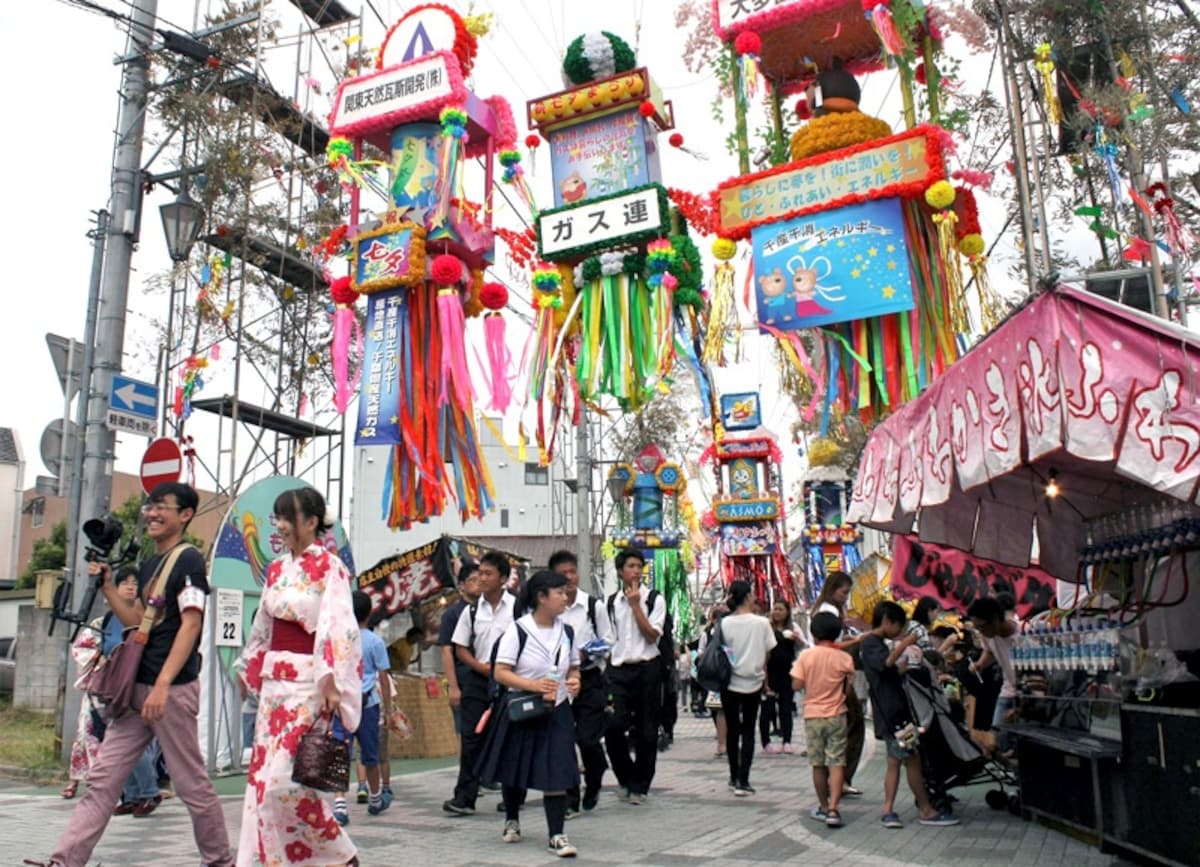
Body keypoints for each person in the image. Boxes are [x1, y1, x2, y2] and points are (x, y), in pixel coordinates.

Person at [26, 482, 233, 867]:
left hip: (168, 691)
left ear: (185, 515)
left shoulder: (187, 561)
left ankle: (220, 860)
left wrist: (163, 685)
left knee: (191, 785)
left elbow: (191, 625)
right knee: (103, 781)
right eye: (148, 507)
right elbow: (138, 623)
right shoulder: (152, 563)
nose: (151, 513)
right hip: (135, 691)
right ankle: (65, 860)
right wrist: (107, 586)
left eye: (161, 507)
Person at [235, 486, 363, 867]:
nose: (281, 526)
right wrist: (250, 667)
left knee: (283, 782)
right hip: (275, 687)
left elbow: (339, 626)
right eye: (278, 517)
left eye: (288, 517)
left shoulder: (330, 566)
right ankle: (275, 859)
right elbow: (262, 626)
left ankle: (338, 855)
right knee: (262, 783)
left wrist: (332, 683)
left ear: (311, 522)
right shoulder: (275, 569)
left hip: (309, 684)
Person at [476, 570, 582, 857]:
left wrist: (574, 680)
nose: (565, 597)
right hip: (523, 708)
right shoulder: (518, 630)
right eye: (559, 592)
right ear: (541, 597)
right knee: (515, 766)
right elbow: (500, 672)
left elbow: (573, 665)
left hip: (556, 708)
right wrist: (533, 685)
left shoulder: (567, 631)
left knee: (557, 770)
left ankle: (557, 835)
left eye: (565, 591)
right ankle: (512, 818)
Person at [862, 601, 959, 829]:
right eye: (899, 627)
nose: (901, 632)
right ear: (887, 621)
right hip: (893, 715)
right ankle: (923, 809)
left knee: (899, 760)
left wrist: (902, 668)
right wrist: (905, 643)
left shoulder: (874, 643)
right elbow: (885, 664)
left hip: (894, 713)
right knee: (908, 759)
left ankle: (892, 810)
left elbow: (889, 671)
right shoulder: (871, 643)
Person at [445, 550, 517, 815]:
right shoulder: (472, 611)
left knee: (510, 738)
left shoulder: (518, 608)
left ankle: (513, 796)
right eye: (480, 573)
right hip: (478, 681)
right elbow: (460, 647)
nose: (482, 579)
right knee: (472, 738)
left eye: (488, 574)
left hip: (510, 681)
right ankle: (465, 797)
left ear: (504, 579)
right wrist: (482, 668)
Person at [550, 549, 611, 816]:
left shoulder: (592, 606)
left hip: (589, 679)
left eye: (572, 572)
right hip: (558, 680)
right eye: (563, 574)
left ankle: (595, 777)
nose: (569, 578)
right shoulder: (549, 608)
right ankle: (570, 798)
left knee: (587, 739)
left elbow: (609, 642)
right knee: (563, 740)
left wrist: (588, 652)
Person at [604, 547, 666, 805]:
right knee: (613, 725)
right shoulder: (610, 602)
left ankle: (641, 784)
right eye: (630, 566)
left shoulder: (654, 599)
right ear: (620, 571)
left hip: (647, 668)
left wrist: (636, 605)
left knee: (646, 730)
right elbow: (608, 638)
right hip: (618, 669)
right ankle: (625, 776)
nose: (636, 571)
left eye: (639, 566)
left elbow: (652, 635)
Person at [334, 591, 393, 825]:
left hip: (342, 703)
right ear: (370, 614)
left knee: (340, 753)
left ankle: (340, 804)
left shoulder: (340, 638)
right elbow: (384, 677)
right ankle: (376, 798)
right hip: (368, 704)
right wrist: (388, 710)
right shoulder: (375, 641)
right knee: (371, 754)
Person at [792, 612, 855, 827]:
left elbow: (797, 685)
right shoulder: (844, 658)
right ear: (837, 633)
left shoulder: (806, 656)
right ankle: (835, 809)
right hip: (837, 713)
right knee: (837, 762)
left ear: (813, 632)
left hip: (813, 715)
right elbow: (848, 688)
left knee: (818, 764)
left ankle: (823, 806)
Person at [811, 571, 867, 797]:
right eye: (844, 592)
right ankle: (840, 779)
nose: (846, 597)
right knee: (849, 727)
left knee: (841, 729)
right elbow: (830, 647)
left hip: (827, 680)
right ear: (833, 589)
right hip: (837, 675)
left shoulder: (825, 610)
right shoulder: (829, 612)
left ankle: (835, 782)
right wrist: (859, 640)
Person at [717, 581, 776, 796]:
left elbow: (723, 651)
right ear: (749, 596)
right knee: (749, 730)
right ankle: (744, 779)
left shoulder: (724, 623)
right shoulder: (762, 623)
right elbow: (769, 651)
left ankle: (733, 776)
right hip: (754, 681)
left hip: (730, 682)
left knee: (733, 730)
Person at [966, 596, 1019, 757]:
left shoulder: (1024, 634)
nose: (980, 632)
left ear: (995, 619)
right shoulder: (988, 636)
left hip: (1028, 692)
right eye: (977, 629)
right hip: (1008, 689)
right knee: (998, 736)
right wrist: (980, 664)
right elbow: (989, 651)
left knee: (1022, 739)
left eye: (981, 627)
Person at [439, 562, 481, 738]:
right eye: (473, 580)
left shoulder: (488, 609)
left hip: (488, 677)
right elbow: (447, 651)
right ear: (462, 585)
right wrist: (454, 687)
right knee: (465, 731)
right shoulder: (453, 614)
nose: (479, 583)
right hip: (464, 677)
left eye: (481, 579)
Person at [761, 598, 800, 755]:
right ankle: (766, 742)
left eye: (780, 609)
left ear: (787, 612)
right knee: (767, 709)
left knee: (785, 708)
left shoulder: (793, 628)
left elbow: (803, 645)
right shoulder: (766, 628)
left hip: (787, 673)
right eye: (775, 609)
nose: (777, 612)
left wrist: (796, 639)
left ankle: (787, 741)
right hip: (769, 673)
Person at [699, 605, 729, 752]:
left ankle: (722, 742)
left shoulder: (714, 632)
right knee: (719, 709)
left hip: (716, 675)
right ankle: (723, 740)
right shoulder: (708, 633)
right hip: (718, 674)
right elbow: (701, 651)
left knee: (720, 709)